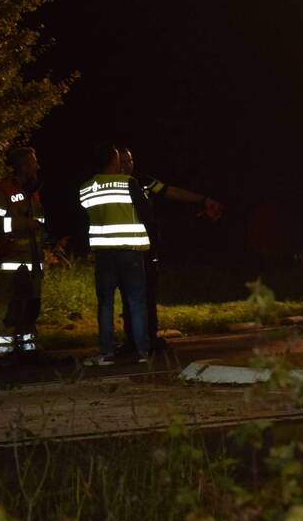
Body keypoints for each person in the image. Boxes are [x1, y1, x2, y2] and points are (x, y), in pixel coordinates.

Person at [116, 146, 223, 355]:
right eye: (122, 162)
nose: (127, 166)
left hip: (146, 246)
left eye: (130, 161)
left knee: (148, 292)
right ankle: (133, 340)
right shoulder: (111, 185)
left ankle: (150, 338)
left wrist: (203, 200)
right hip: (123, 248)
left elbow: (169, 191)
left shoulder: (143, 181)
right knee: (129, 294)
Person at [79, 144, 152, 365]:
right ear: (113, 161)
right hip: (130, 251)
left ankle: (106, 352)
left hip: (104, 254)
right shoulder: (128, 182)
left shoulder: (86, 187)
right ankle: (142, 352)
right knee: (136, 302)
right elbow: (146, 211)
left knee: (105, 303)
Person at [0, 147, 45, 359]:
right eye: (33, 162)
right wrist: (24, 223)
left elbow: (40, 221)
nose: (37, 166)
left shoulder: (33, 191)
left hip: (33, 258)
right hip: (12, 258)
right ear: (23, 166)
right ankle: (2, 351)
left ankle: (28, 349)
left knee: (30, 307)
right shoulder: (3, 190)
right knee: (9, 306)